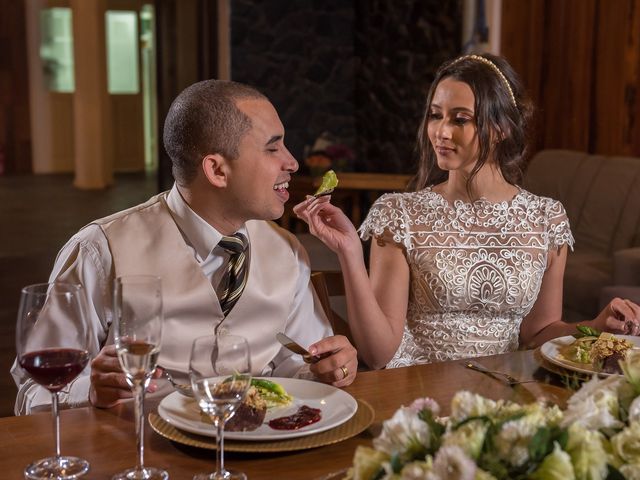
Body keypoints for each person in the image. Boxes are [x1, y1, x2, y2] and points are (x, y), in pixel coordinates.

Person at [12, 80, 358, 414]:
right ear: (217, 171)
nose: (293, 162)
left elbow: (297, 363)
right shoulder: (98, 252)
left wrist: (325, 368)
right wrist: (91, 392)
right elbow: (33, 393)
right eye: (272, 148)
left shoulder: (287, 250)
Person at [294, 53, 640, 370]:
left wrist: (595, 327)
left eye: (460, 119)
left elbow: (539, 333)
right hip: (415, 393)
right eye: (435, 115)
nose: (441, 132)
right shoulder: (399, 215)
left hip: (507, 393)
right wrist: (350, 252)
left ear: (502, 127)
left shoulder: (547, 220)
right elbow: (378, 353)